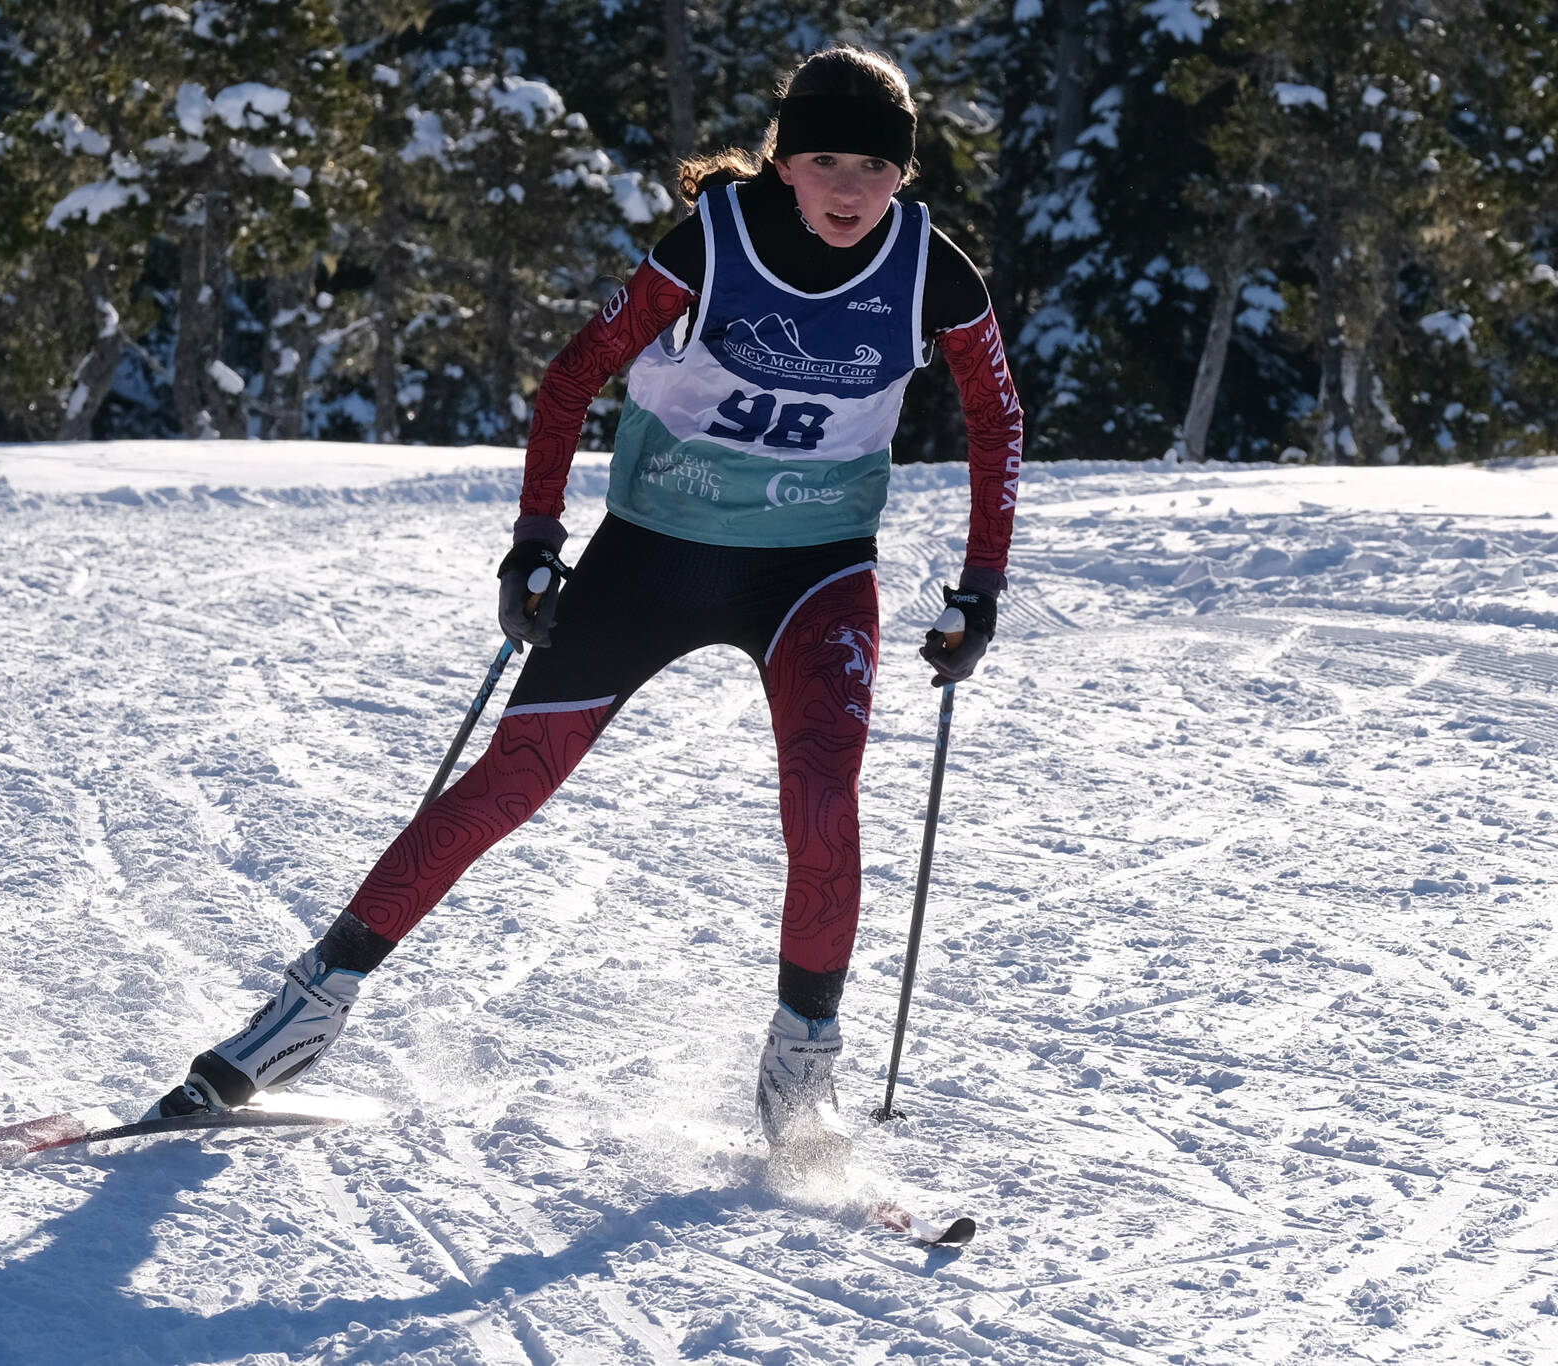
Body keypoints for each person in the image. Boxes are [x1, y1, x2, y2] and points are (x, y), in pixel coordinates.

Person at [150, 45, 1024, 1154]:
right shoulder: (713, 240)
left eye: (870, 166)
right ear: (783, 164)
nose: (847, 189)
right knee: (511, 780)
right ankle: (305, 1008)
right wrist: (531, 541)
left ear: (901, 173)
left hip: (814, 568)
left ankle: (802, 1067)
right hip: (654, 551)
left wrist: (981, 587)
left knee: (820, 798)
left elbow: (995, 423)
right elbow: (572, 376)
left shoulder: (934, 275)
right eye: (820, 162)